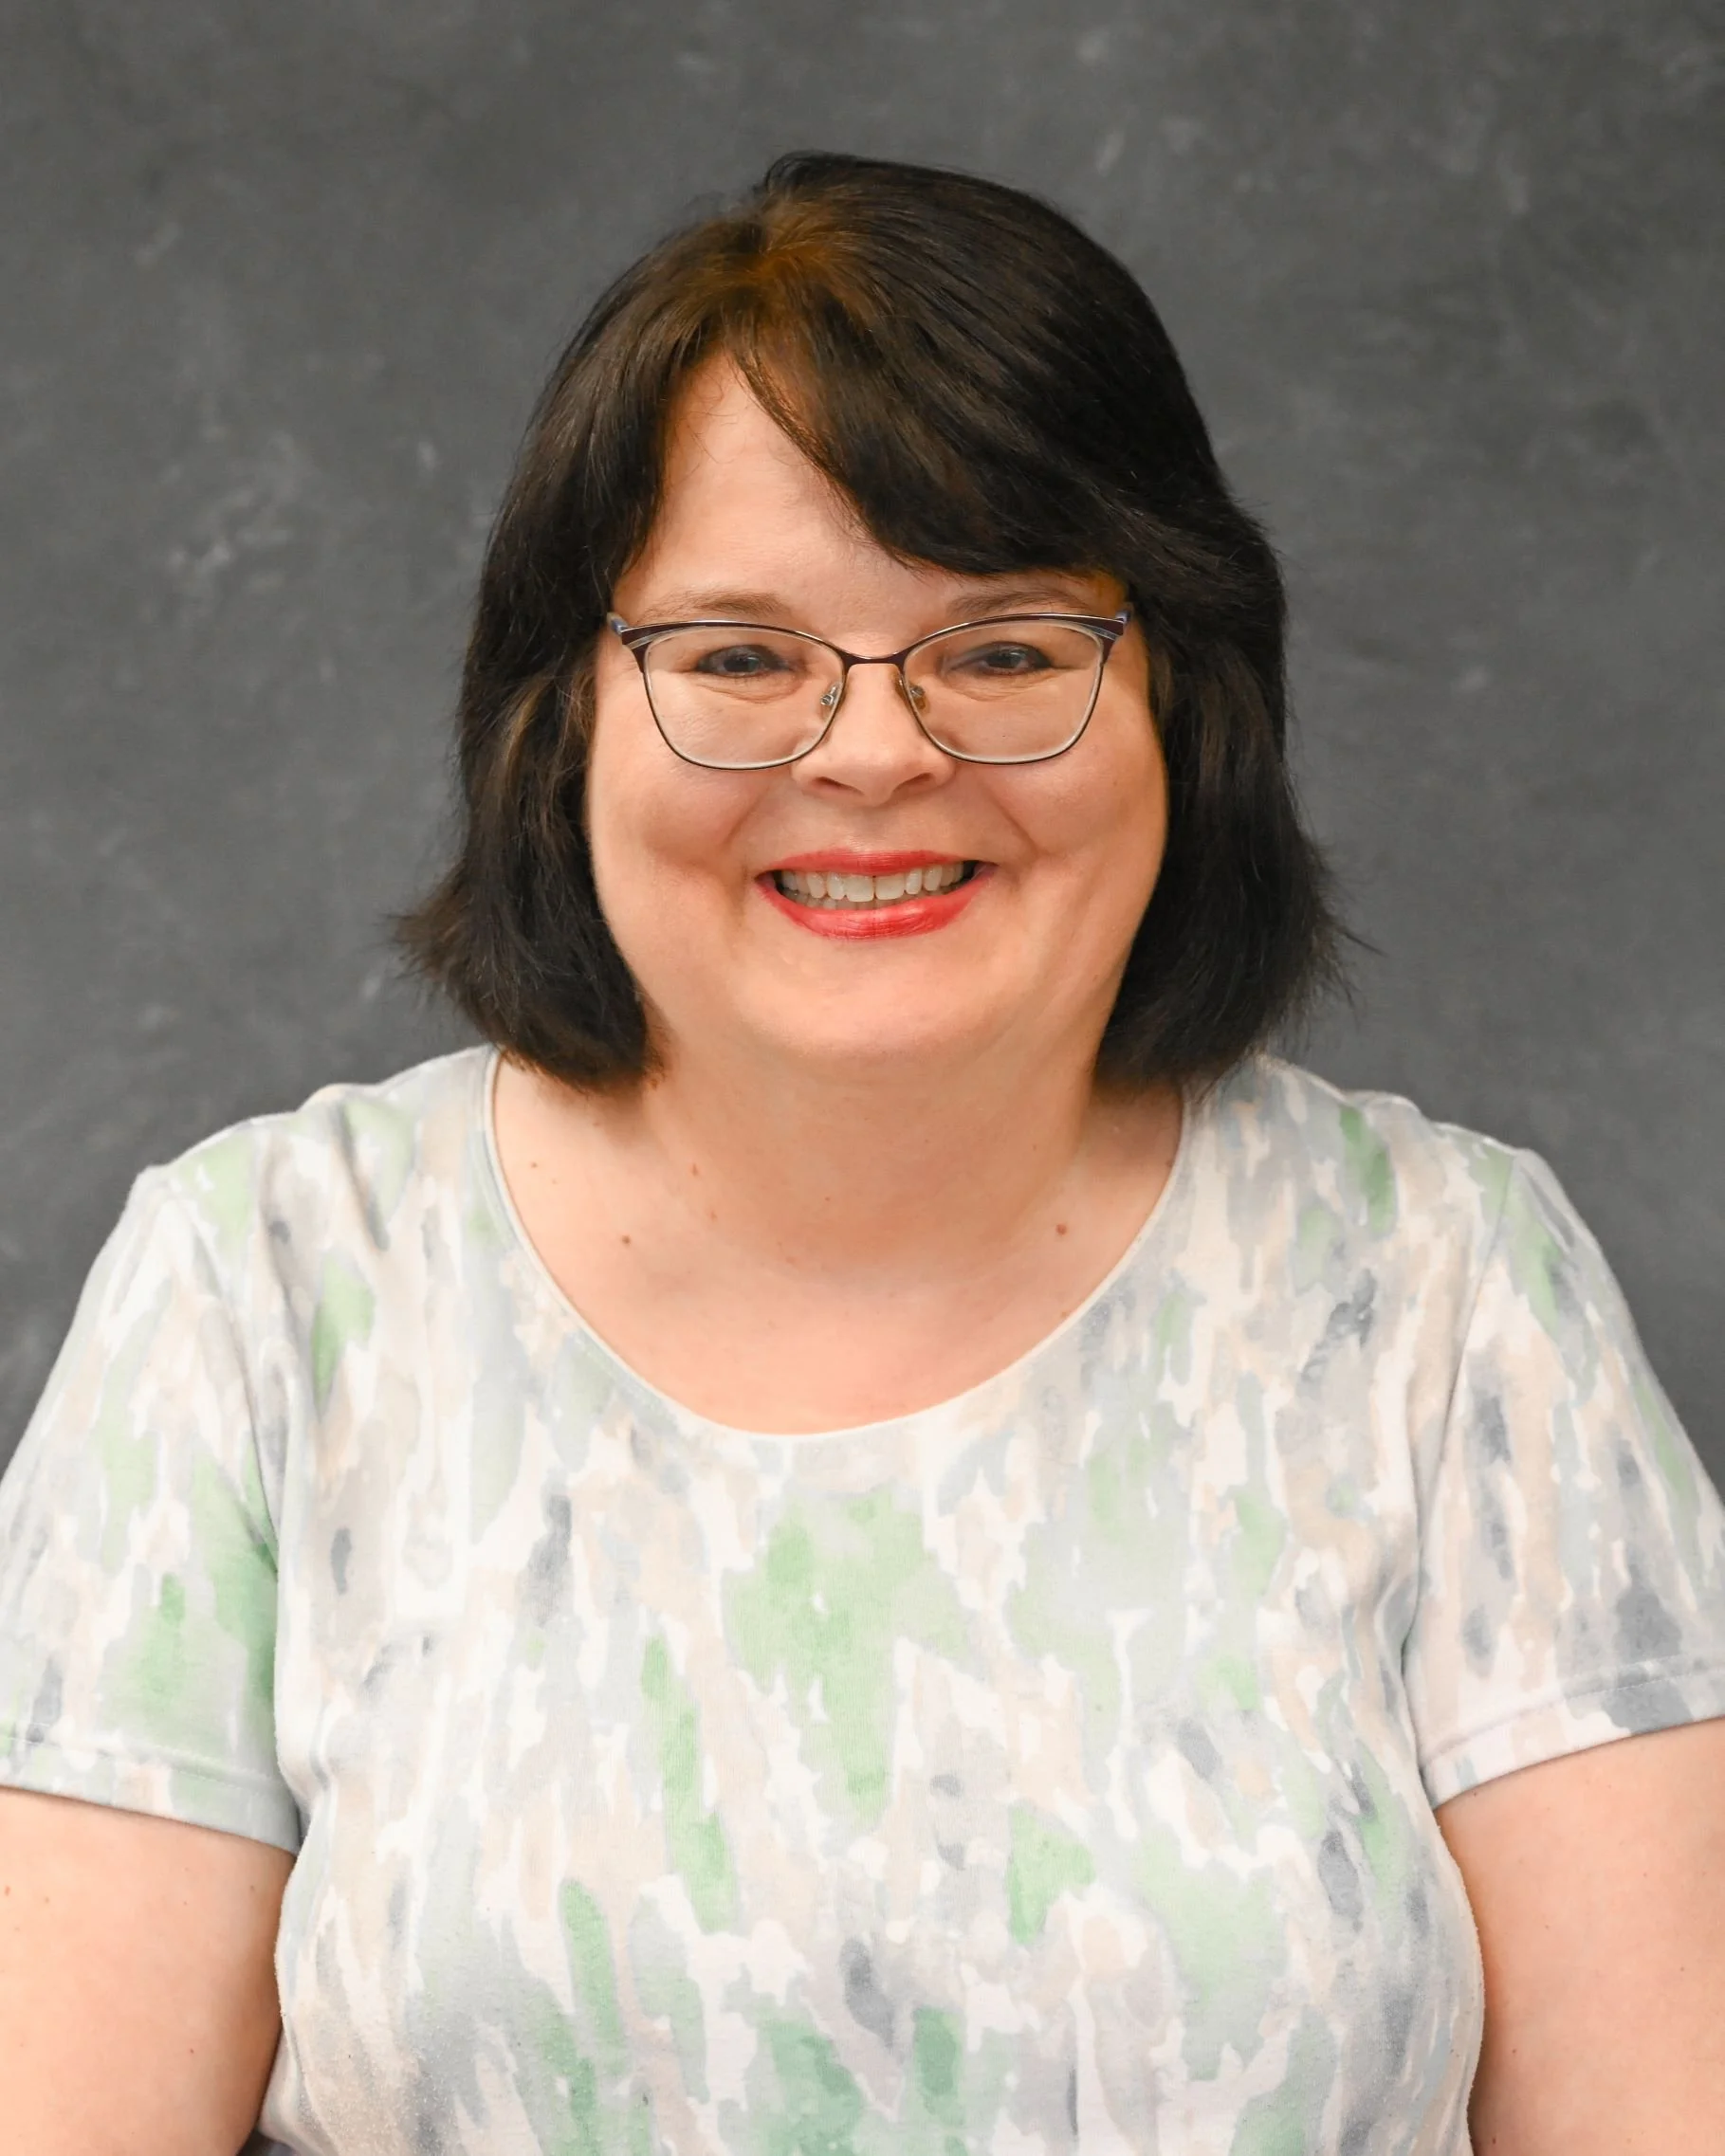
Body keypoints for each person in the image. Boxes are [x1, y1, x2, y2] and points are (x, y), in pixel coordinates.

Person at [1, 151, 1721, 2156]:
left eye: (1004, 650)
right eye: (741, 658)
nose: (877, 751)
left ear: (1184, 702)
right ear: (563, 719)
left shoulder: (1443, 1292)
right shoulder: (267, 1290)